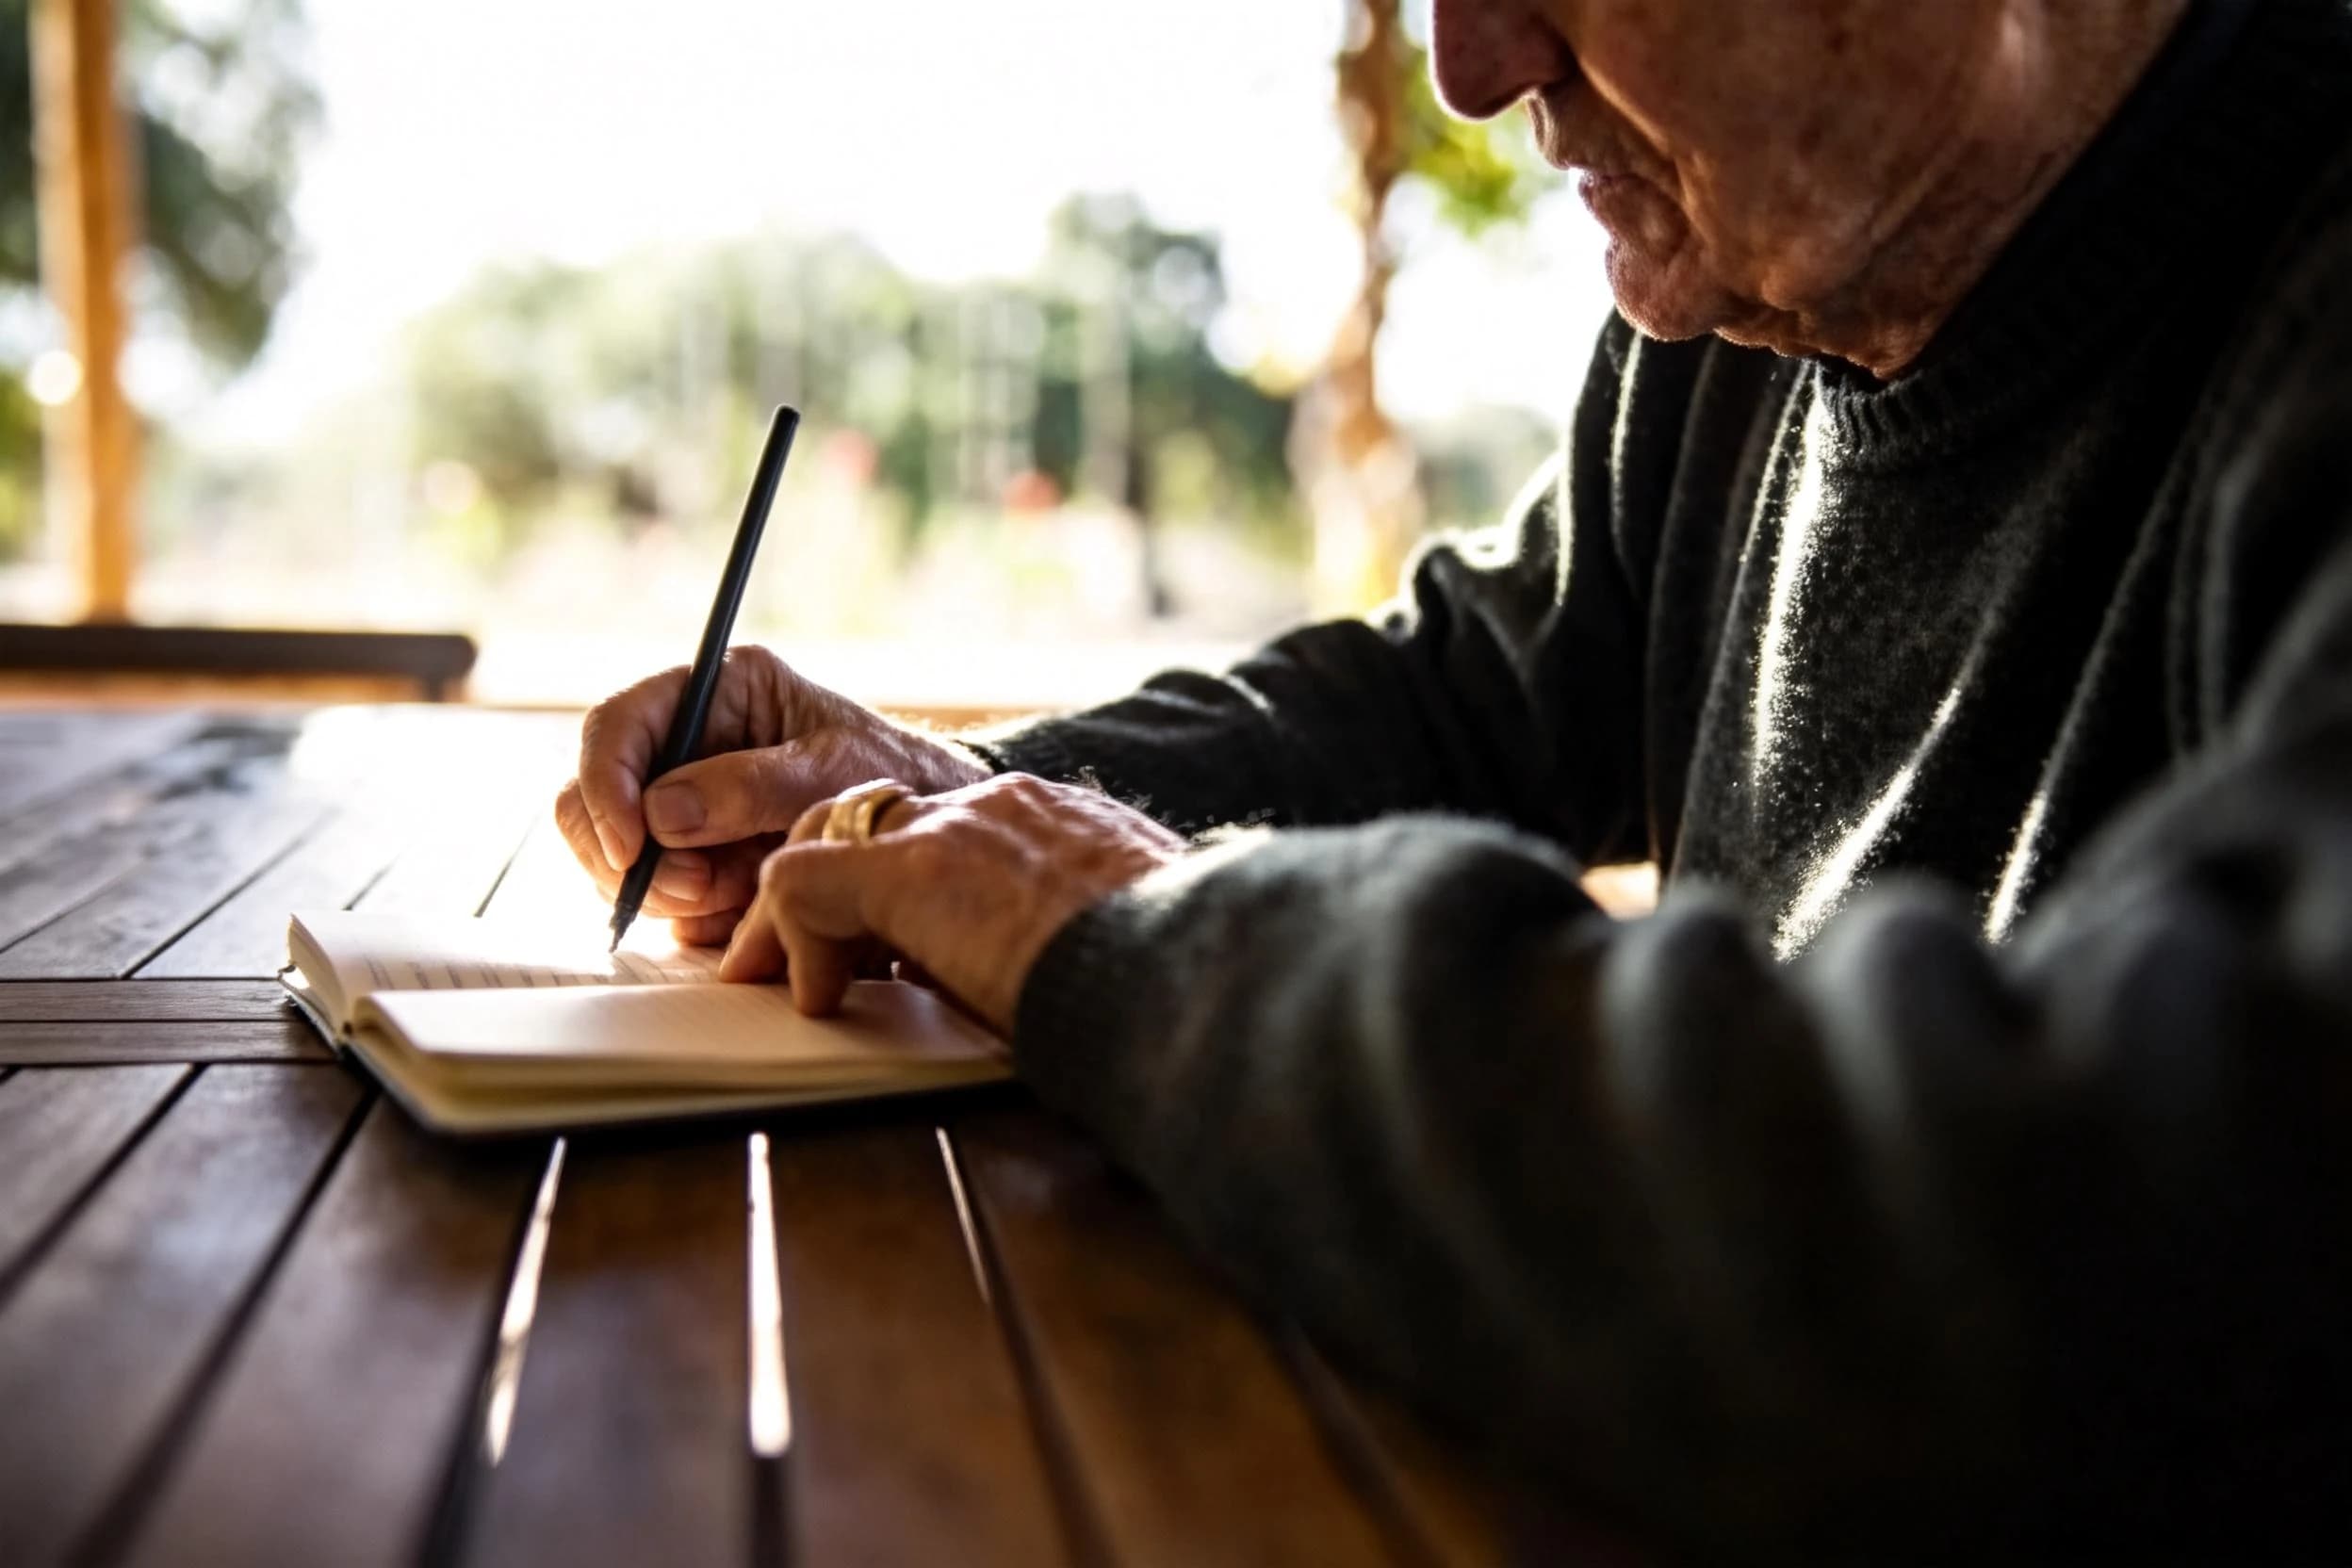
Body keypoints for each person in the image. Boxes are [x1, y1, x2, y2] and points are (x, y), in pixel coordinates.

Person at [557, 0, 2352, 1553]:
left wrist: (1133, 927)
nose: (1474, 69)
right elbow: (1463, 698)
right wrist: (953, 804)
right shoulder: (1742, 331)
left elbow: (2126, 1245)